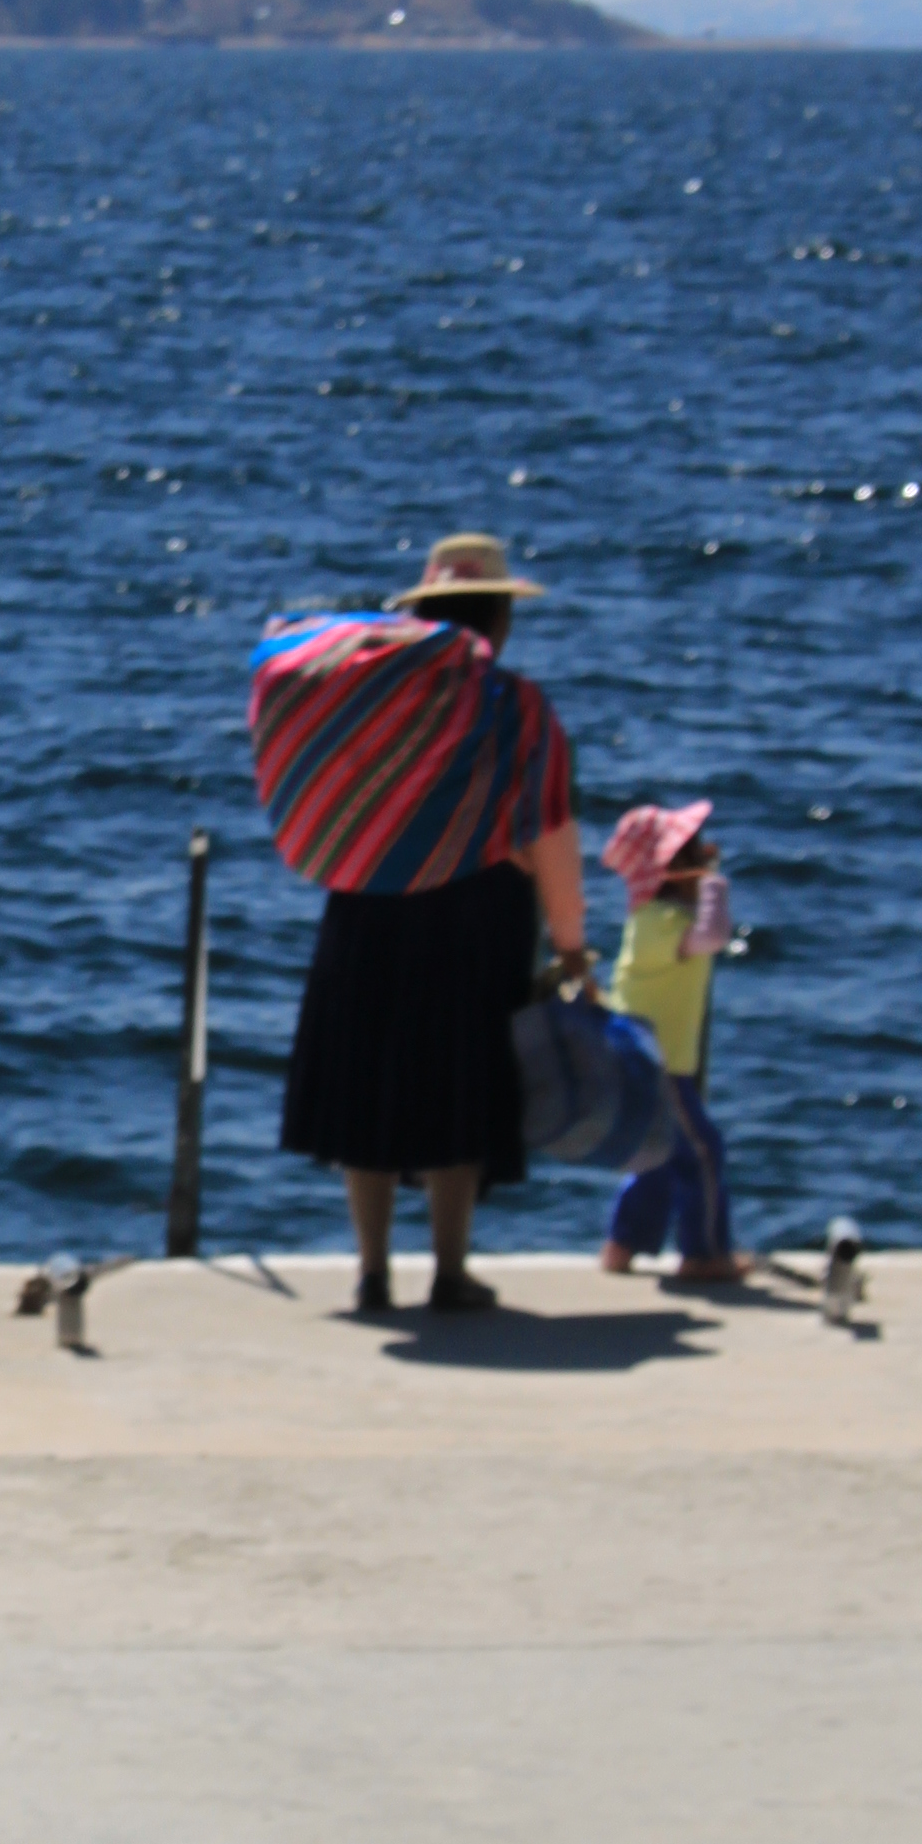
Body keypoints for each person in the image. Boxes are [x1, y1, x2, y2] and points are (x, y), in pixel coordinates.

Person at [250, 529, 592, 1318]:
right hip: (478, 916)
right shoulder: (519, 708)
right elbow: (551, 833)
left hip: (367, 899)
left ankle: (372, 1272)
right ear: (500, 619)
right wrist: (572, 946)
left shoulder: (369, 705)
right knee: (460, 1088)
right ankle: (450, 1270)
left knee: (364, 1084)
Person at [597, 802, 746, 1286]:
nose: (706, 857)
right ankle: (705, 1253)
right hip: (657, 1064)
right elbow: (715, 935)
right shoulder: (661, 923)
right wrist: (715, 885)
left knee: (657, 1155)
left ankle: (623, 1244)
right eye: (695, 854)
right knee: (703, 1150)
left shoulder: (656, 919)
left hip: (646, 1059)